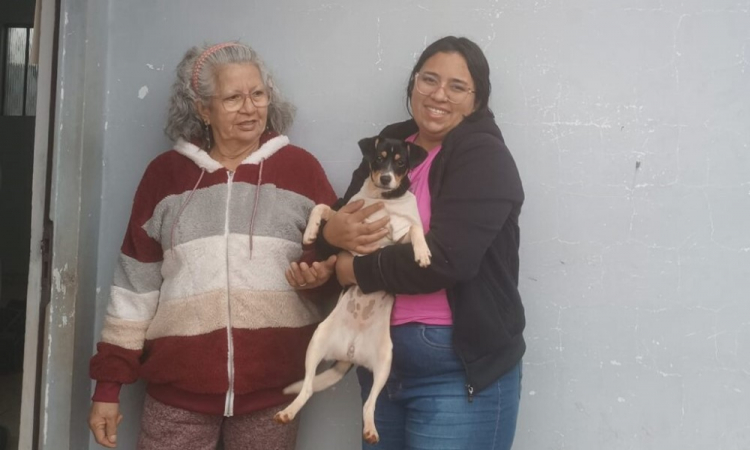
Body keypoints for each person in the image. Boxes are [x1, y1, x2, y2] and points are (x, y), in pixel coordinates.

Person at [87, 41, 339, 450]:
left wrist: (319, 275)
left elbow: (332, 265)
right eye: (233, 98)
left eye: (258, 94)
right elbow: (134, 289)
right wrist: (108, 386)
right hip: (176, 395)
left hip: (274, 392)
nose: (250, 108)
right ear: (203, 109)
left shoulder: (301, 170)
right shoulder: (164, 177)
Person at [311, 36, 526, 449]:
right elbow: (343, 220)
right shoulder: (390, 146)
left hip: (456, 371)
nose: (439, 94)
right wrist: (328, 235)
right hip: (381, 366)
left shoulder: (484, 158)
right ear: (413, 84)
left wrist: (349, 269)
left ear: (477, 99)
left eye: (457, 86)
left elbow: (447, 260)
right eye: (429, 79)